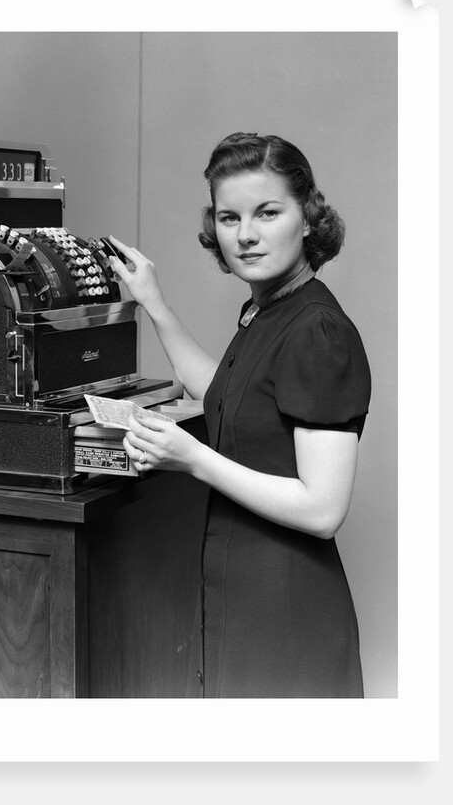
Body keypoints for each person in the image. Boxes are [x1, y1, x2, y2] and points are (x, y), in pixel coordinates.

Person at [107, 132, 372, 698]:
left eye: (268, 212)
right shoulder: (268, 310)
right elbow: (225, 394)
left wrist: (193, 458)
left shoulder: (317, 332)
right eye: (229, 218)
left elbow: (323, 510)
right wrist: (154, 302)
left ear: (308, 218)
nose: (246, 234)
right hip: (240, 594)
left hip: (286, 611)